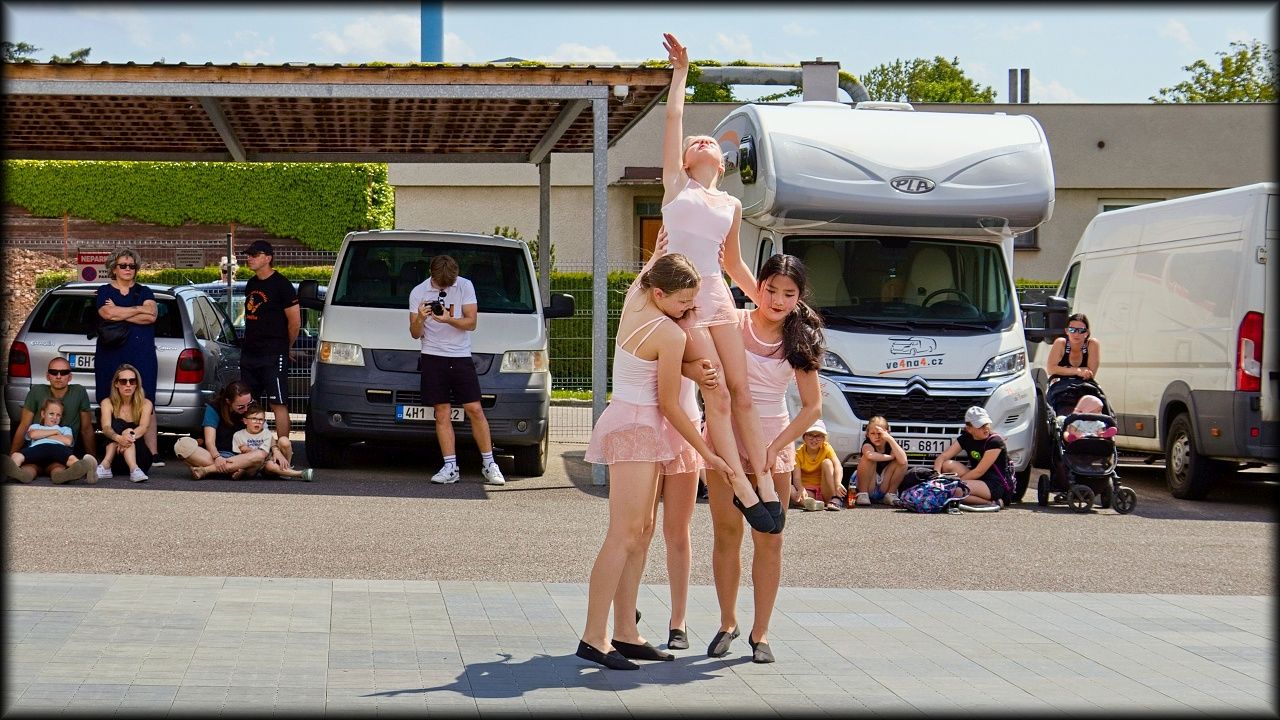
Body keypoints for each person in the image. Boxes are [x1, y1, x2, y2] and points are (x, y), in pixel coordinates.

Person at [577, 253, 736, 671]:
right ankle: (594, 636)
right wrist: (707, 452)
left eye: (693, 301)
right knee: (623, 533)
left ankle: (625, 632)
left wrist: (661, 248)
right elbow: (669, 404)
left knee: (642, 530)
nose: (689, 309)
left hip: (633, 423)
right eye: (683, 301)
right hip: (637, 428)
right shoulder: (669, 333)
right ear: (661, 293)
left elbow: (649, 273)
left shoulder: (637, 300)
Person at [656, 32, 778, 533]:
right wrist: (681, 73)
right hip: (685, 301)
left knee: (742, 391)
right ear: (687, 160)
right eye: (695, 142)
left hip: (718, 295)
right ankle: (741, 487)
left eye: (711, 142)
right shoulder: (675, 186)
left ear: (722, 164)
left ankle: (764, 480)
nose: (702, 140)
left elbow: (734, 265)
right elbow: (673, 119)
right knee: (717, 393)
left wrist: (771, 303)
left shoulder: (731, 204)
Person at [705, 253, 825, 664]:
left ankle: (761, 632)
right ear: (757, 286)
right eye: (771, 289)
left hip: (773, 442)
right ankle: (727, 622)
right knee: (726, 533)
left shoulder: (800, 338)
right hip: (725, 439)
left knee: (770, 539)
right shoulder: (733, 323)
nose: (777, 300)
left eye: (788, 293)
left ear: (798, 296)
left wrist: (777, 448)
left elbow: (812, 407)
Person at [408, 255, 505, 487]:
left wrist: (448, 319)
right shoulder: (418, 292)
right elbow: (414, 333)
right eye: (440, 284)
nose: (444, 288)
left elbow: (471, 323)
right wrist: (420, 318)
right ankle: (450, 466)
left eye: (448, 284)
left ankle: (489, 464)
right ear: (431, 275)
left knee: (475, 409)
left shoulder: (465, 286)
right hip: (432, 356)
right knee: (442, 412)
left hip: (460, 356)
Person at [94, 247, 161, 464]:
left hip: (142, 354)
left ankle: (152, 453)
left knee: (147, 400)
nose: (128, 269)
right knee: (109, 398)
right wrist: (138, 309)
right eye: (123, 265)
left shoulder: (145, 291)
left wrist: (121, 312)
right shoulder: (104, 291)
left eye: (132, 266)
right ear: (113, 268)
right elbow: (107, 313)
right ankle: (112, 452)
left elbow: (151, 316)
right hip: (110, 354)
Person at [240, 240, 300, 439]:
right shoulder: (251, 283)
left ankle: (284, 447)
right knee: (249, 403)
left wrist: (285, 347)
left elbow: (295, 322)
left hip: (273, 354)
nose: (249, 258)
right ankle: (252, 446)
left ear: (268, 258)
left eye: (254, 255)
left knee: (278, 403)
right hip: (250, 353)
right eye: (248, 255)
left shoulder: (282, 285)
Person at [173, 380, 267, 480]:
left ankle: (207, 470)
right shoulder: (215, 408)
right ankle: (234, 470)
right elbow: (210, 442)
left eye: (249, 403)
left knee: (260, 455)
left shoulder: (253, 408)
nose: (246, 409)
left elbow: (264, 437)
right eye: (241, 407)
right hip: (215, 455)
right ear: (228, 401)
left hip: (241, 457)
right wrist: (217, 457)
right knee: (182, 446)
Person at [8, 357, 97, 462]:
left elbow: (86, 429)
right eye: (54, 372)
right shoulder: (37, 391)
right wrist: (12, 455)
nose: (58, 376)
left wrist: (94, 460)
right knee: (30, 468)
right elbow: (24, 425)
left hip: (61, 450)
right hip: (36, 449)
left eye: (64, 373)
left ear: (70, 377)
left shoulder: (79, 392)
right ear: (47, 376)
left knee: (58, 468)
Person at [3, 398, 97, 484]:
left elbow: (68, 441)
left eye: (58, 415)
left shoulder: (65, 429)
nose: (55, 417)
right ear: (43, 414)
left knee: (60, 467)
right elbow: (33, 435)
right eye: (51, 414)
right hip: (37, 452)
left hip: (56, 451)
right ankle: (16, 472)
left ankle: (82, 468)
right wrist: (55, 432)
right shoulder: (36, 426)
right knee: (21, 461)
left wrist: (43, 436)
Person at [933, 406, 1011, 507]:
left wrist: (956, 483)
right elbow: (943, 457)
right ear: (969, 429)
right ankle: (965, 491)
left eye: (986, 424)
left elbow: (979, 471)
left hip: (995, 484)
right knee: (947, 465)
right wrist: (936, 477)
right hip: (979, 479)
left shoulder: (995, 442)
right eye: (980, 426)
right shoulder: (966, 438)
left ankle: (992, 503)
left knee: (954, 491)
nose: (985, 428)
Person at [94, 364, 154, 482]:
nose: (128, 385)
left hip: (140, 457)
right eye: (123, 381)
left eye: (132, 381)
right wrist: (119, 438)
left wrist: (128, 435)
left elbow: (143, 427)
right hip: (116, 457)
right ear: (116, 384)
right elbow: (106, 427)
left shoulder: (146, 403)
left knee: (127, 430)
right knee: (117, 424)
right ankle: (130, 469)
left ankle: (118, 466)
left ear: (137, 384)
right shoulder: (107, 402)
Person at [231, 402, 313, 481]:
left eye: (261, 420)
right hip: (250, 465)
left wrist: (249, 450)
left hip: (265, 463)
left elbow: (264, 454)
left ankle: (298, 473)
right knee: (242, 466)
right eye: (254, 419)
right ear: (245, 421)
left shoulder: (266, 433)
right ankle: (244, 472)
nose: (258, 422)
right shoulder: (238, 435)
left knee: (271, 463)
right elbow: (237, 456)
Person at [852, 416, 909, 507]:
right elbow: (870, 455)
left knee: (901, 461)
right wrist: (890, 457)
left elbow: (903, 461)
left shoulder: (891, 444)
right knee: (867, 459)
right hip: (869, 485)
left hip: (884, 485)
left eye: (880, 433)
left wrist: (890, 439)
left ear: (887, 433)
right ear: (867, 434)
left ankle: (890, 494)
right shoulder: (867, 444)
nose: (877, 436)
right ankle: (863, 494)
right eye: (873, 433)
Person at [790, 419, 844, 512]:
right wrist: (801, 488)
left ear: (824, 439)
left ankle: (835, 497)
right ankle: (812, 504)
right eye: (810, 435)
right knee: (790, 488)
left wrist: (838, 483)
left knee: (827, 462)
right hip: (808, 491)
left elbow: (838, 465)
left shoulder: (826, 448)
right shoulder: (798, 453)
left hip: (825, 489)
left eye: (818, 436)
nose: (814, 439)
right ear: (804, 437)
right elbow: (796, 478)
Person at [1046, 313, 1100, 385]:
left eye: (1081, 330)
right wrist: (1077, 371)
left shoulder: (1092, 344)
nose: (1076, 334)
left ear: (1087, 333)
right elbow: (1050, 369)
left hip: (1083, 386)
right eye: (1072, 330)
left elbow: (1090, 374)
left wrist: (1063, 369)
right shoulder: (1061, 342)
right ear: (1066, 331)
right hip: (1061, 386)